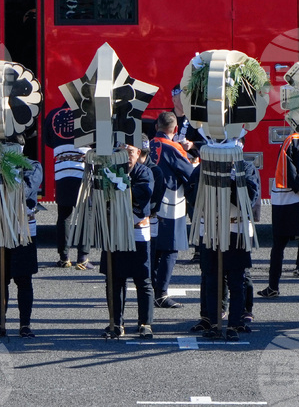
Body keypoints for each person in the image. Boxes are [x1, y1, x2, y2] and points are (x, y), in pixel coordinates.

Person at [192, 157, 261, 341]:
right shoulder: (205, 167)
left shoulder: (245, 167)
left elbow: (250, 197)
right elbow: (192, 193)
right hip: (212, 230)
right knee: (212, 279)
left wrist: (227, 183)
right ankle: (214, 323)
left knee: (237, 282)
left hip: (236, 230)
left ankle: (234, 324)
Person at [0, 141, 43, 338]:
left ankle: (25, 324)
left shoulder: (32, 165)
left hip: (22, 226)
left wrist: (9, 170)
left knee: (24, 278)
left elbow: (25, 190)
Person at [101, 141, 156, 339]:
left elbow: (143, 194)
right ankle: (116, 322)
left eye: (130, 151)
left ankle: (145, 323)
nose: (126, 154)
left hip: (137, 230)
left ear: (138, 152)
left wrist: (121, 187)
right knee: (115, 279)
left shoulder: (144, 172)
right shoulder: (109, 171)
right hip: (114, 230)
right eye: (122, 150)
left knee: (143, 279)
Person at [149, 112, 196, 309]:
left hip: (148, 203)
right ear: (175, 129)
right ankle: (161, 293)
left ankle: (150, 289)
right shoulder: (173, 147)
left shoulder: (148, 144)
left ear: (156, 126)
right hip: (170, 202)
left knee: (153, 249)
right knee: (170, 249)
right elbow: (190, 173)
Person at [258, 132, 299, 299]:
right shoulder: (298, 139)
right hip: (294, 196)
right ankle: (276, 286)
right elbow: (288, 168)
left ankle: (279, 285)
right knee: (288, 242)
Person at [53, 141, 90, 268]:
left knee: (64, 215)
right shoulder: (87, 119)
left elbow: (47, 139)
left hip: (61, 169)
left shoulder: (54, 119)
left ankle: (64, 258)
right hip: (82, 169)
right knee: (85, 215)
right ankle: (82, 258)